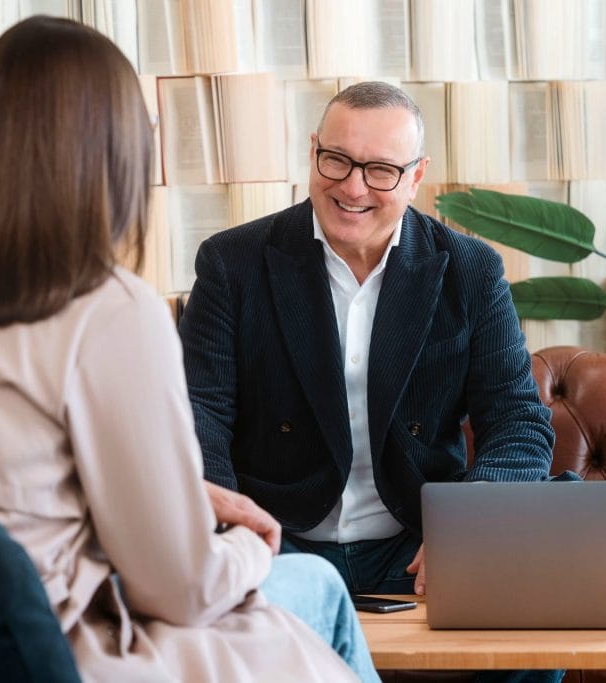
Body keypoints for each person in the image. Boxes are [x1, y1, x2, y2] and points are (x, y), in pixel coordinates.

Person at [0, 16, 378, 683]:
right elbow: (180, 589)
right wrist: (251, 543)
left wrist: (179, 494)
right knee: (317, 584)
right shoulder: (111, 309)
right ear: (118, 150)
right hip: (58, 655)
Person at [179, 81, 562, 682]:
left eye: (381, 170)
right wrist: (231, 539)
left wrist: (469, 528)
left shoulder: (470, 270)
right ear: (313, 152)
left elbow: (517, 420)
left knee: (541, 628)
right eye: (336, 160)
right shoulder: (233, 264)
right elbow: (199, 415)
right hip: (280, 540)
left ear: (416, 177)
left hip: (415, 544)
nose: (353, 188)